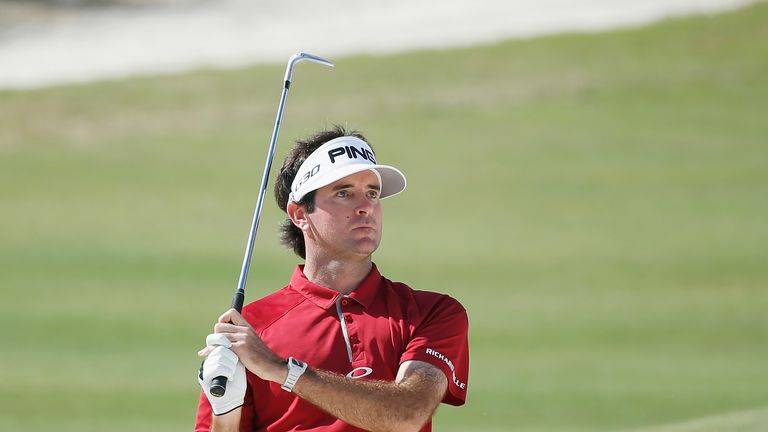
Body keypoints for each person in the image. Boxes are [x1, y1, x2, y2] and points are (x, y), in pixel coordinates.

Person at [195, 126, 469, 432]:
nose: (365, 206)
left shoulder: (431, 312)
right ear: (300, 214)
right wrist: (225, 410)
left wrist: (281, 370)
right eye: (344, 193)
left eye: (372, 192)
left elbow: (407, 413)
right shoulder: (251, 332)